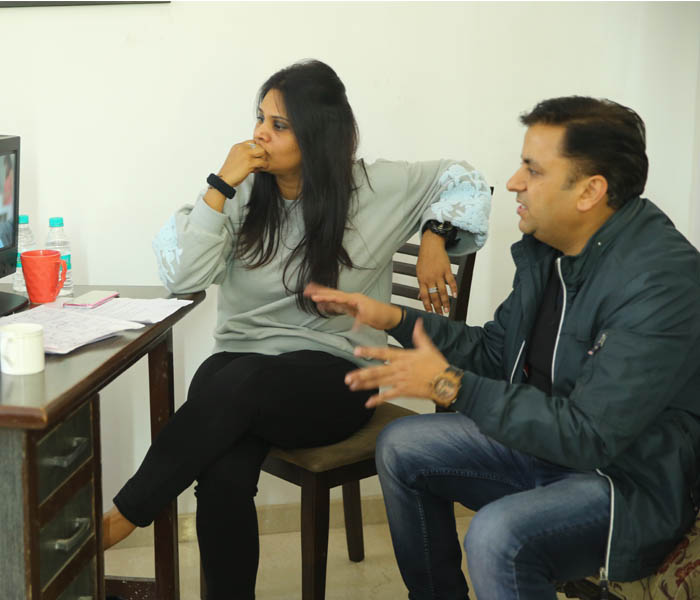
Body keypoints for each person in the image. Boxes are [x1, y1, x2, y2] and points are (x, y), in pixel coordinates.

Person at [103, 59, 492, 599]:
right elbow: (184, 278)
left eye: (279, 125)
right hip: (241, 370)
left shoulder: (374, 187)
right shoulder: (240, 194)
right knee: (223, 462)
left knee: (233, 390)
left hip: (336, 374)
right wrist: (219, 184)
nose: (260, 134)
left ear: (318, 134)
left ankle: (125, 514)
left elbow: (465, 179)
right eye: (259, 118)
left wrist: (434, 235)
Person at [305, 96, 700, 599]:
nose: (513, 182)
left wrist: (449, 385)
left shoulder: (661, 282)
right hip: (546, 448)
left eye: (532, 170)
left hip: (624, 483)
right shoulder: (551, 253)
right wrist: (395, 319)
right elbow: (495, 352)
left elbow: (591, 436)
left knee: (497, 537)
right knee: (402, 446)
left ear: (590, 191)